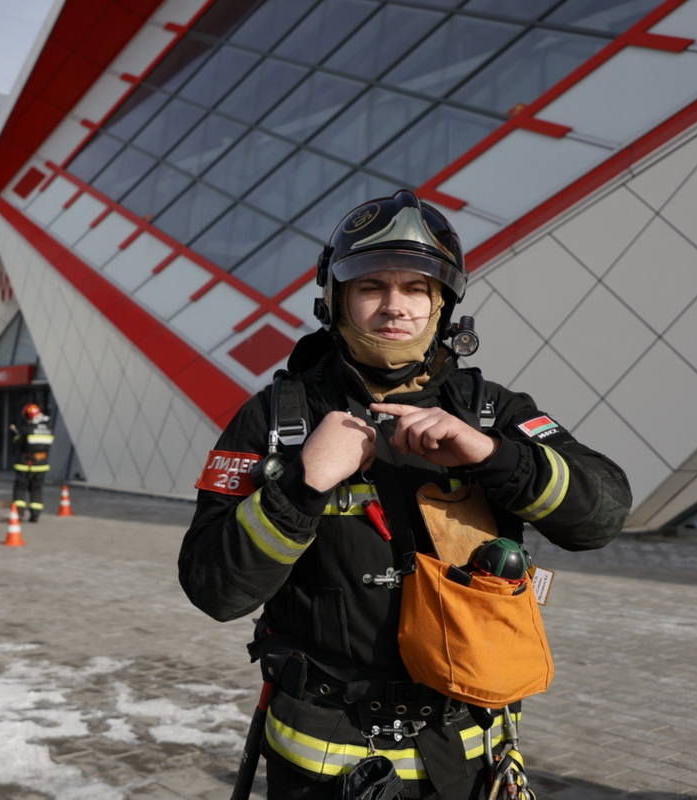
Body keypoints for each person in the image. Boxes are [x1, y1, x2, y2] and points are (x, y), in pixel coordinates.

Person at [178, 190, 632, 799]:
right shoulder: (276, 420)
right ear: (335, 301)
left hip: (472, 759)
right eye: (372, 287)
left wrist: (494, 457)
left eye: (417, 288)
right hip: (325, 766)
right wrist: (303, 483)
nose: (395, 307)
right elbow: (213, 588)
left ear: (442, 305)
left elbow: (601, 516)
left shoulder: (493, 413)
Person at [10, 402, 55, 522]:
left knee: (20, 489)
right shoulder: (48, 428)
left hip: (25, 464)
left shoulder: (27, 429)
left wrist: (15, 433)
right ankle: (35, 515)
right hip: (41, 465)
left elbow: (18, 443)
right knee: (36, 489)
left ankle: (18, 514)